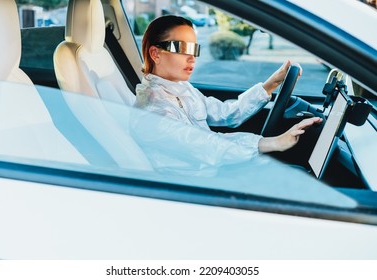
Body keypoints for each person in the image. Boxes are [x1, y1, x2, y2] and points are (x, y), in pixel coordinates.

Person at [132, 15, 322, 171]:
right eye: (182, 48)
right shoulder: (151, 109)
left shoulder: (182, 88)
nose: (192, 57)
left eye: (194, 48)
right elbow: (206, 145)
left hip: (210, 172)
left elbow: (225, 113)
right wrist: (273, 143)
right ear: (155, 54)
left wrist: (269, 86)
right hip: (193, 186)